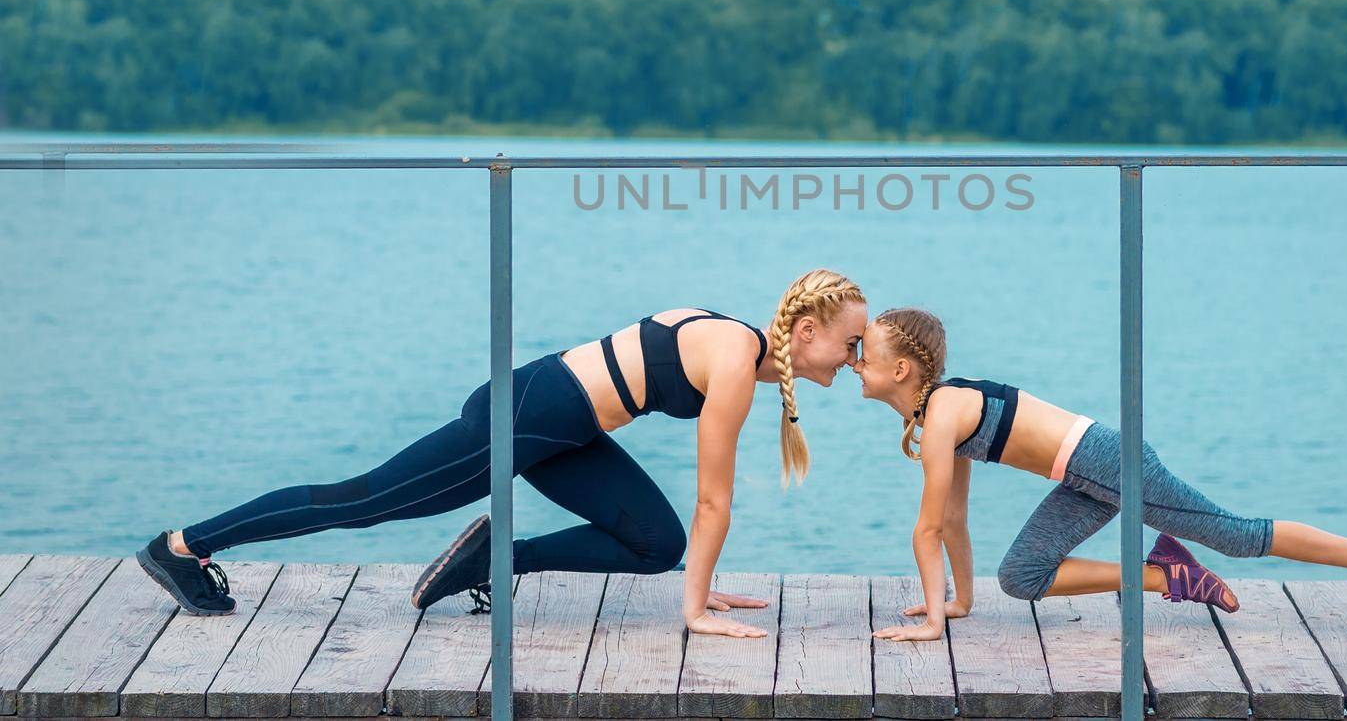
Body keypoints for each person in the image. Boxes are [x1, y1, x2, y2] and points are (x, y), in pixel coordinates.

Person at [137, 269, 868, 639]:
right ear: (805, 331)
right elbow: (716, 498)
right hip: (528, 415)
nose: (854, 355)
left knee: (657, 543)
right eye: (851, 342)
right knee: (362, 499)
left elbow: (699, 512)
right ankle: (182, 545)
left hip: (566, 426)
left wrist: (696, 580)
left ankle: (491, 560)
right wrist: (696, 608)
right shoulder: (737, 360)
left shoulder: (747, 350)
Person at [852, 307, 1347, 643]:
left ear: (900, 369)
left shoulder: (944, 414)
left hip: (1112, 462)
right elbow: (952, 519)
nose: (855, 364)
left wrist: (929, 623)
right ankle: (1166, 575)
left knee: (1239, 535)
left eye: (864, 357)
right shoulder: (941, 413)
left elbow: (926, 530)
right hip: (1083, 478)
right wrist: (958, 603)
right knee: (1024, 575)